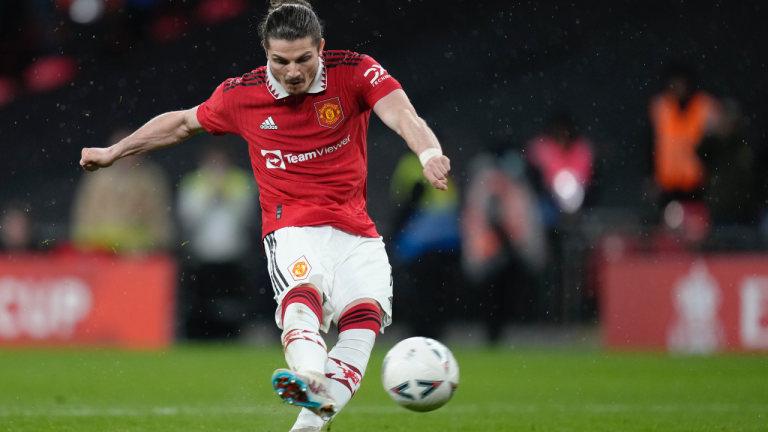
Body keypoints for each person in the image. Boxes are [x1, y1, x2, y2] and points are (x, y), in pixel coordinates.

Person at [78, 1, 451, 431]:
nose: (293, 71)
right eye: (281, 61)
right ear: (265, 54)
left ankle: (307, 424)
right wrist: (114, 152)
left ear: (322, 49)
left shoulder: (355, 72)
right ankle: (310, 375)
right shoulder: (242, 94)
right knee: (303, 294)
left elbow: (403, 114)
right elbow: (181, 123)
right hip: (292, 226)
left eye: (304, 59)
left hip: (357, 232)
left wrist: (429, 152)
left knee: (363, 321)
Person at [177, 145, 257, 339]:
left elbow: (246, 216)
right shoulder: (193, 181)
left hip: (233, 253)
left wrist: (227, 197)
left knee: (232, 301)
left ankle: (233, 335)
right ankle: (202, 335)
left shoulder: (240, 180)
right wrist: (208, 198)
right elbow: (187, 218)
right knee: (202, 301)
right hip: (203, 253)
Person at [71, 128, 174, 254]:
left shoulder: (151, 180)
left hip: (138, 252)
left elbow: (159, 220)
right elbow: (84, 214)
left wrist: (156, 247)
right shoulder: (96, 177)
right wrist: (84, 246)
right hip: (99, 250)